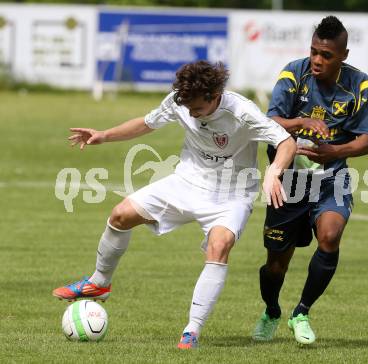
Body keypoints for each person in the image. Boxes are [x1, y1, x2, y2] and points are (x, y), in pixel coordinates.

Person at [52, 61, 296, 349]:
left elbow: (286, 142)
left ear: (214, 94)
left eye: (197, 108)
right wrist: (104, 135)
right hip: (186, 183)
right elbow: (147, 122)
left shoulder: (241, 111)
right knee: (120, 215)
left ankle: (192, 331)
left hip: (231, 195)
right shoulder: (180, 100)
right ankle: (100, 281)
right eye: (187, 107)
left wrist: (274, 170)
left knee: (219, 246)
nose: (191, 113)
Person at [252, 16, 368, 344]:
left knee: (330, 237)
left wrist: (335, 150)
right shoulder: (294, 73)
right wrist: (303, 120)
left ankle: (301, 312)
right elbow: (269, 121)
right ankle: (272, 311)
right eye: (314, 51)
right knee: (276, 265)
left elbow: (366, 140)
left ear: (343, 55)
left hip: (331, 179)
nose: (318, 59)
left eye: (327, 55)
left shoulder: (359, 85)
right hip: (289, 182)